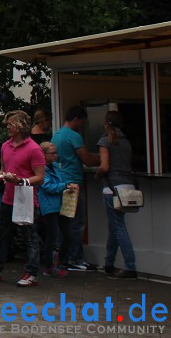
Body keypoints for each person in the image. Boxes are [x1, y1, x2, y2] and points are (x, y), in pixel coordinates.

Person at [0, 110, 45, 287]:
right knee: (2, 234)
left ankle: (31, 273)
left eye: (11, 124)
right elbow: (3, 169)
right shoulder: (5, 146)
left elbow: (40, 177)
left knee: (29, 236)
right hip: (8, 198)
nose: (7, 127)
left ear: (21, 126)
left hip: (26, 200)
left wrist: (20, 181)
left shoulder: (34, 149)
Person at [51, 106, 100, 271]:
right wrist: (104, 158)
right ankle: (75, 258)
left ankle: (60, 257)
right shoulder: (74, 136)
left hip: (61, 182)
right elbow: (86, 159)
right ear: (76, 119)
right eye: (81, 121)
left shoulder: (56, 135)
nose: (82, 125)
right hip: (73, 183)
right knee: (77, 222)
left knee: (64, 222)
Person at [96, 111, 137, 280]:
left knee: (118, 226)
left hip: (112, 187)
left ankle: (130, 266)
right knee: (115, 225)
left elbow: (104, 167)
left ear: (105, 123)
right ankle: (109, 263)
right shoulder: (126, 142)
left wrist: (98, 174)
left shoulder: (105, 141)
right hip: (128, 185)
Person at [36, 142, 77, 278]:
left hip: (61, 204)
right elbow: (48, 187)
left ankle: (59, 260)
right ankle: (49, 266)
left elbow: (60, 182)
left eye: (56, 153)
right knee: (52, 236)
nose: (55, 155)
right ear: (44, 154)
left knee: (68, 235)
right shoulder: (41, 170)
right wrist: (65, 185)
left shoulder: (56, 167)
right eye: (52, 153)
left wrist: (67, 185)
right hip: (49, 206)